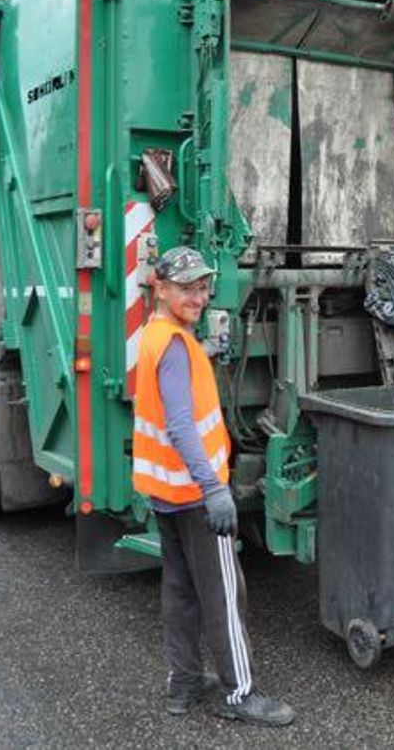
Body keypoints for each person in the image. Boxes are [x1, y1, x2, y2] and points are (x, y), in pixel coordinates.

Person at [132, 246, 295, 725]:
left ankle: (182, 683)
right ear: (160, 288)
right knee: (225, 593)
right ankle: (238, 692)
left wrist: (202, 354)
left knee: (180, 589)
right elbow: (182, 425)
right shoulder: (176, 347)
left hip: (165, 492)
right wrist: (214, 488)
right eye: (187, 288)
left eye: (203, 288)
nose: (198, 297)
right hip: (194, 493)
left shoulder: (157, 335)